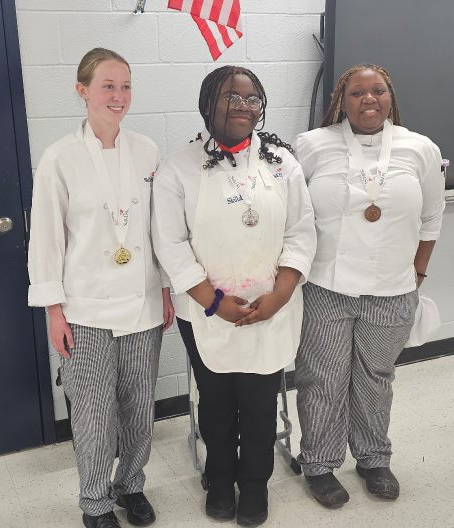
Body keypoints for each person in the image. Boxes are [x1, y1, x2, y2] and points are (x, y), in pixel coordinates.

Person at [151, 65, 316, 527]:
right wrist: (213, 300)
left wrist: (282, 292)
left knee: (262, 402)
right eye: (231, 97)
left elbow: (302, 231)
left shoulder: (283, 163)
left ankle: (255, 485)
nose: (243, 107)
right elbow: (170, 243)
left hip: (271, 305)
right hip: (206, 310)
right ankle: (220, 480)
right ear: (207, 104)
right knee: (217, 400)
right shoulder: (178, 167)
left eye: (252, 99)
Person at [27, 47, 174, 528]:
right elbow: (46, 237)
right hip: (84, 310)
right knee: (92, 413)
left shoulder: (148, 151)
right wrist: (53, 308)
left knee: (137, 406)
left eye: (126, 85)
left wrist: (166, 289)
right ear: (82, 90)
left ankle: (131, 485)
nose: (119, 96)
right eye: (108, 85)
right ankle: (94, 502)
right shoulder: (60, 158)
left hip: (141, 302)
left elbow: (158, 229)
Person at [292, 64, 445, 508]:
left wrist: (417, 273)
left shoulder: (421, 149)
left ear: (391, 96)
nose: (369, 99)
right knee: (321, 379)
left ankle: (373, 457)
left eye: (378, 90)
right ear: (342, 99)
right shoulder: (313, 145)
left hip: (393, 289)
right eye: (357, 92)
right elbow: (293, 213)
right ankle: (319, 463)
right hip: (325, 287)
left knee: (375, 378)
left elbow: (433, 216)